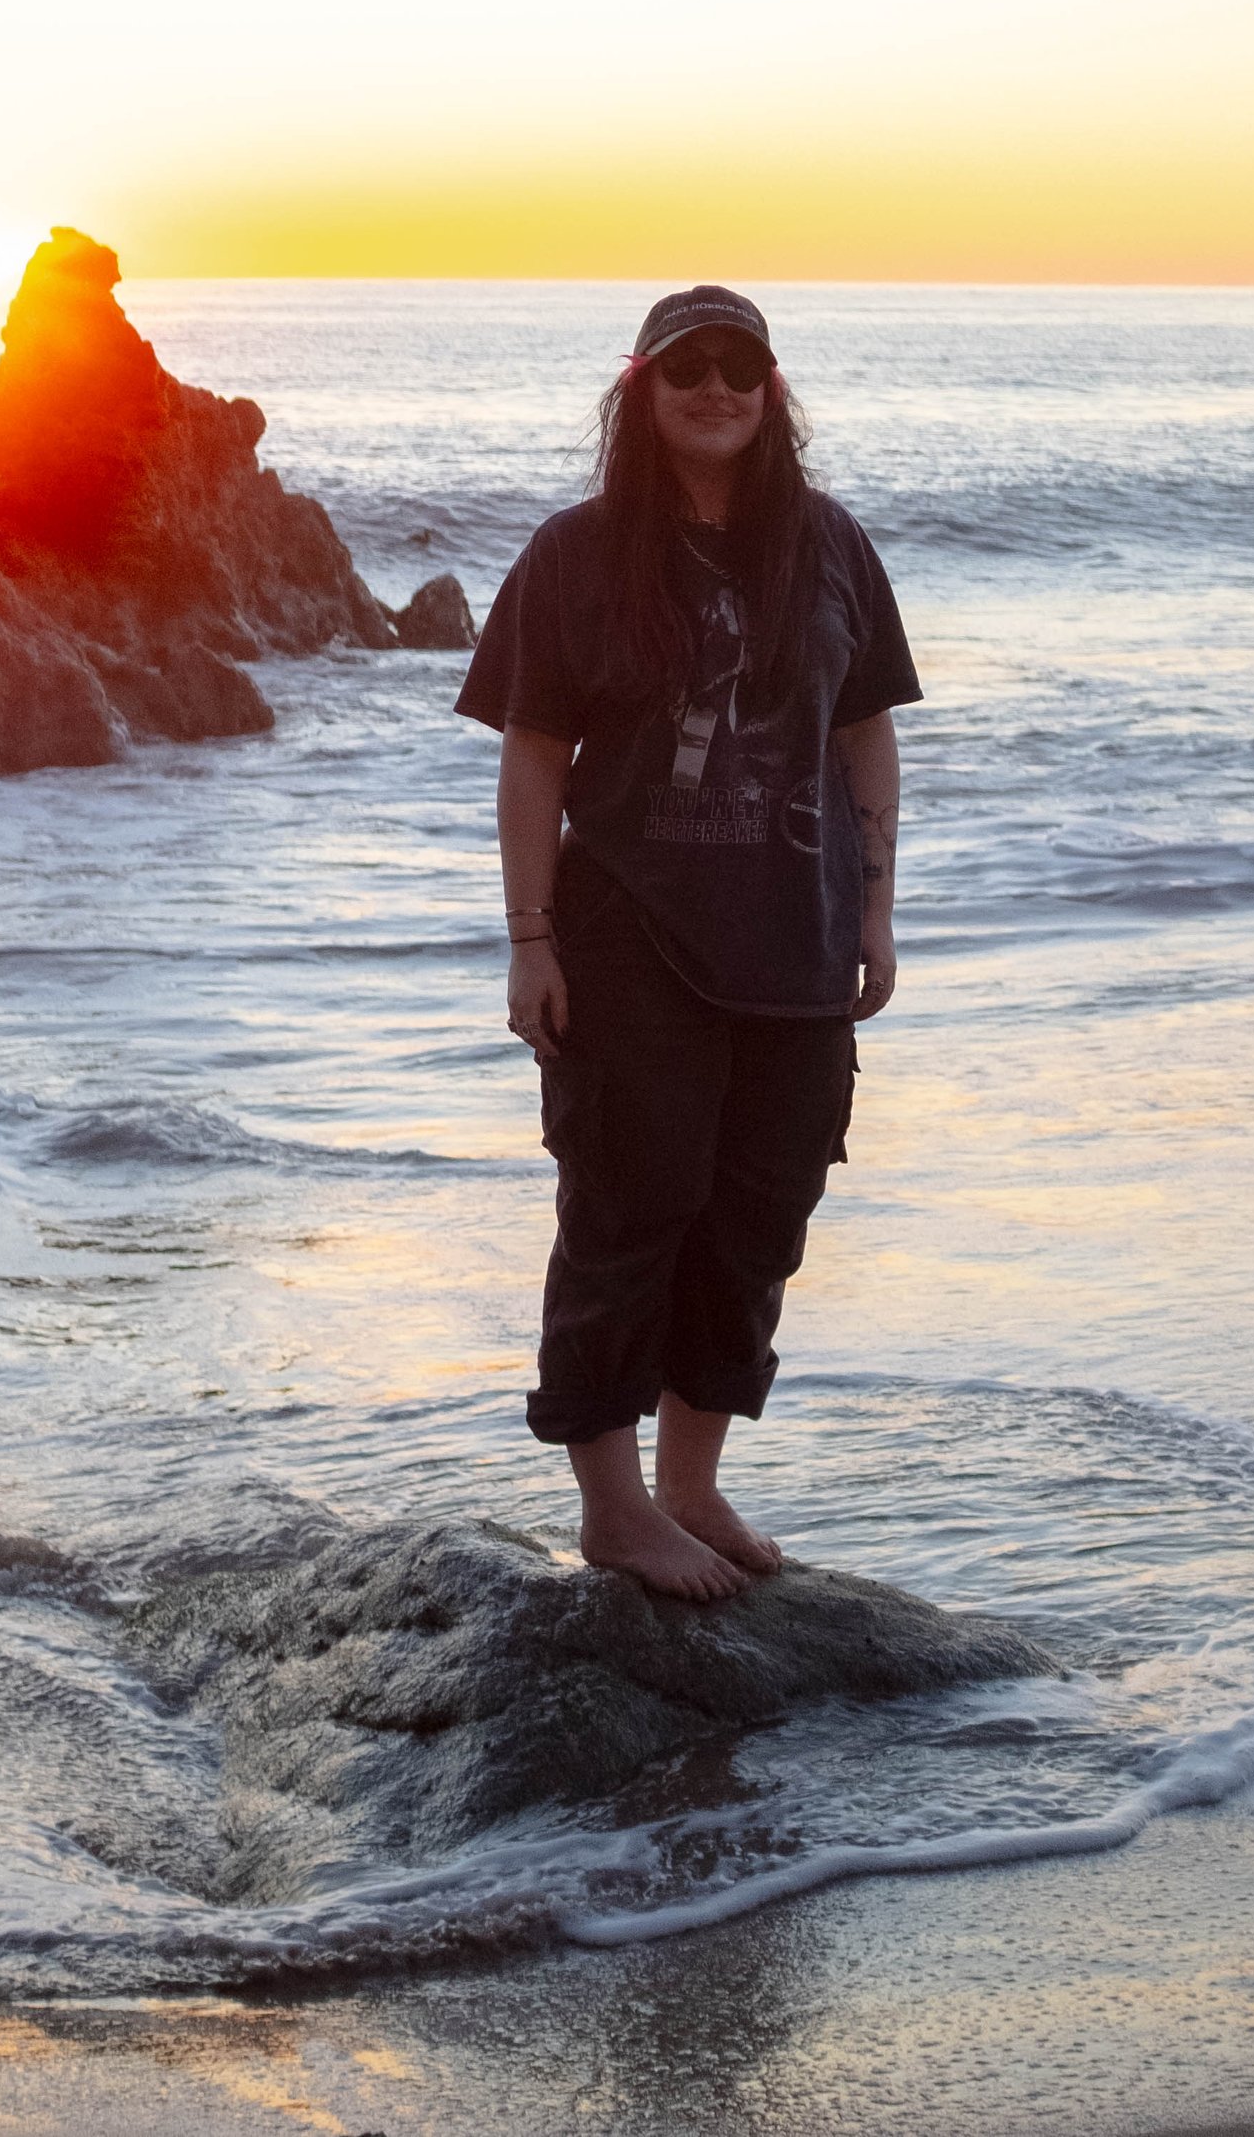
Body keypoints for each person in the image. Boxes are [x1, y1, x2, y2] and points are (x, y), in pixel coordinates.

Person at [455, 284, 920, 1601]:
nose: (714, 386)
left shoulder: (828, 546)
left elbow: (866, 730)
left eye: (740, 365)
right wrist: (530, 938)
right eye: (685, 367)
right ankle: (611, 1507)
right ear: (641, 389)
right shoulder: (578, 552)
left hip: (799, 936)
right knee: (626, 1201)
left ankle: (692, 1481)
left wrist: (876, 908)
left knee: (763, 1208)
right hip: (626, 936)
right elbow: (535, 757)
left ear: (771, 389)